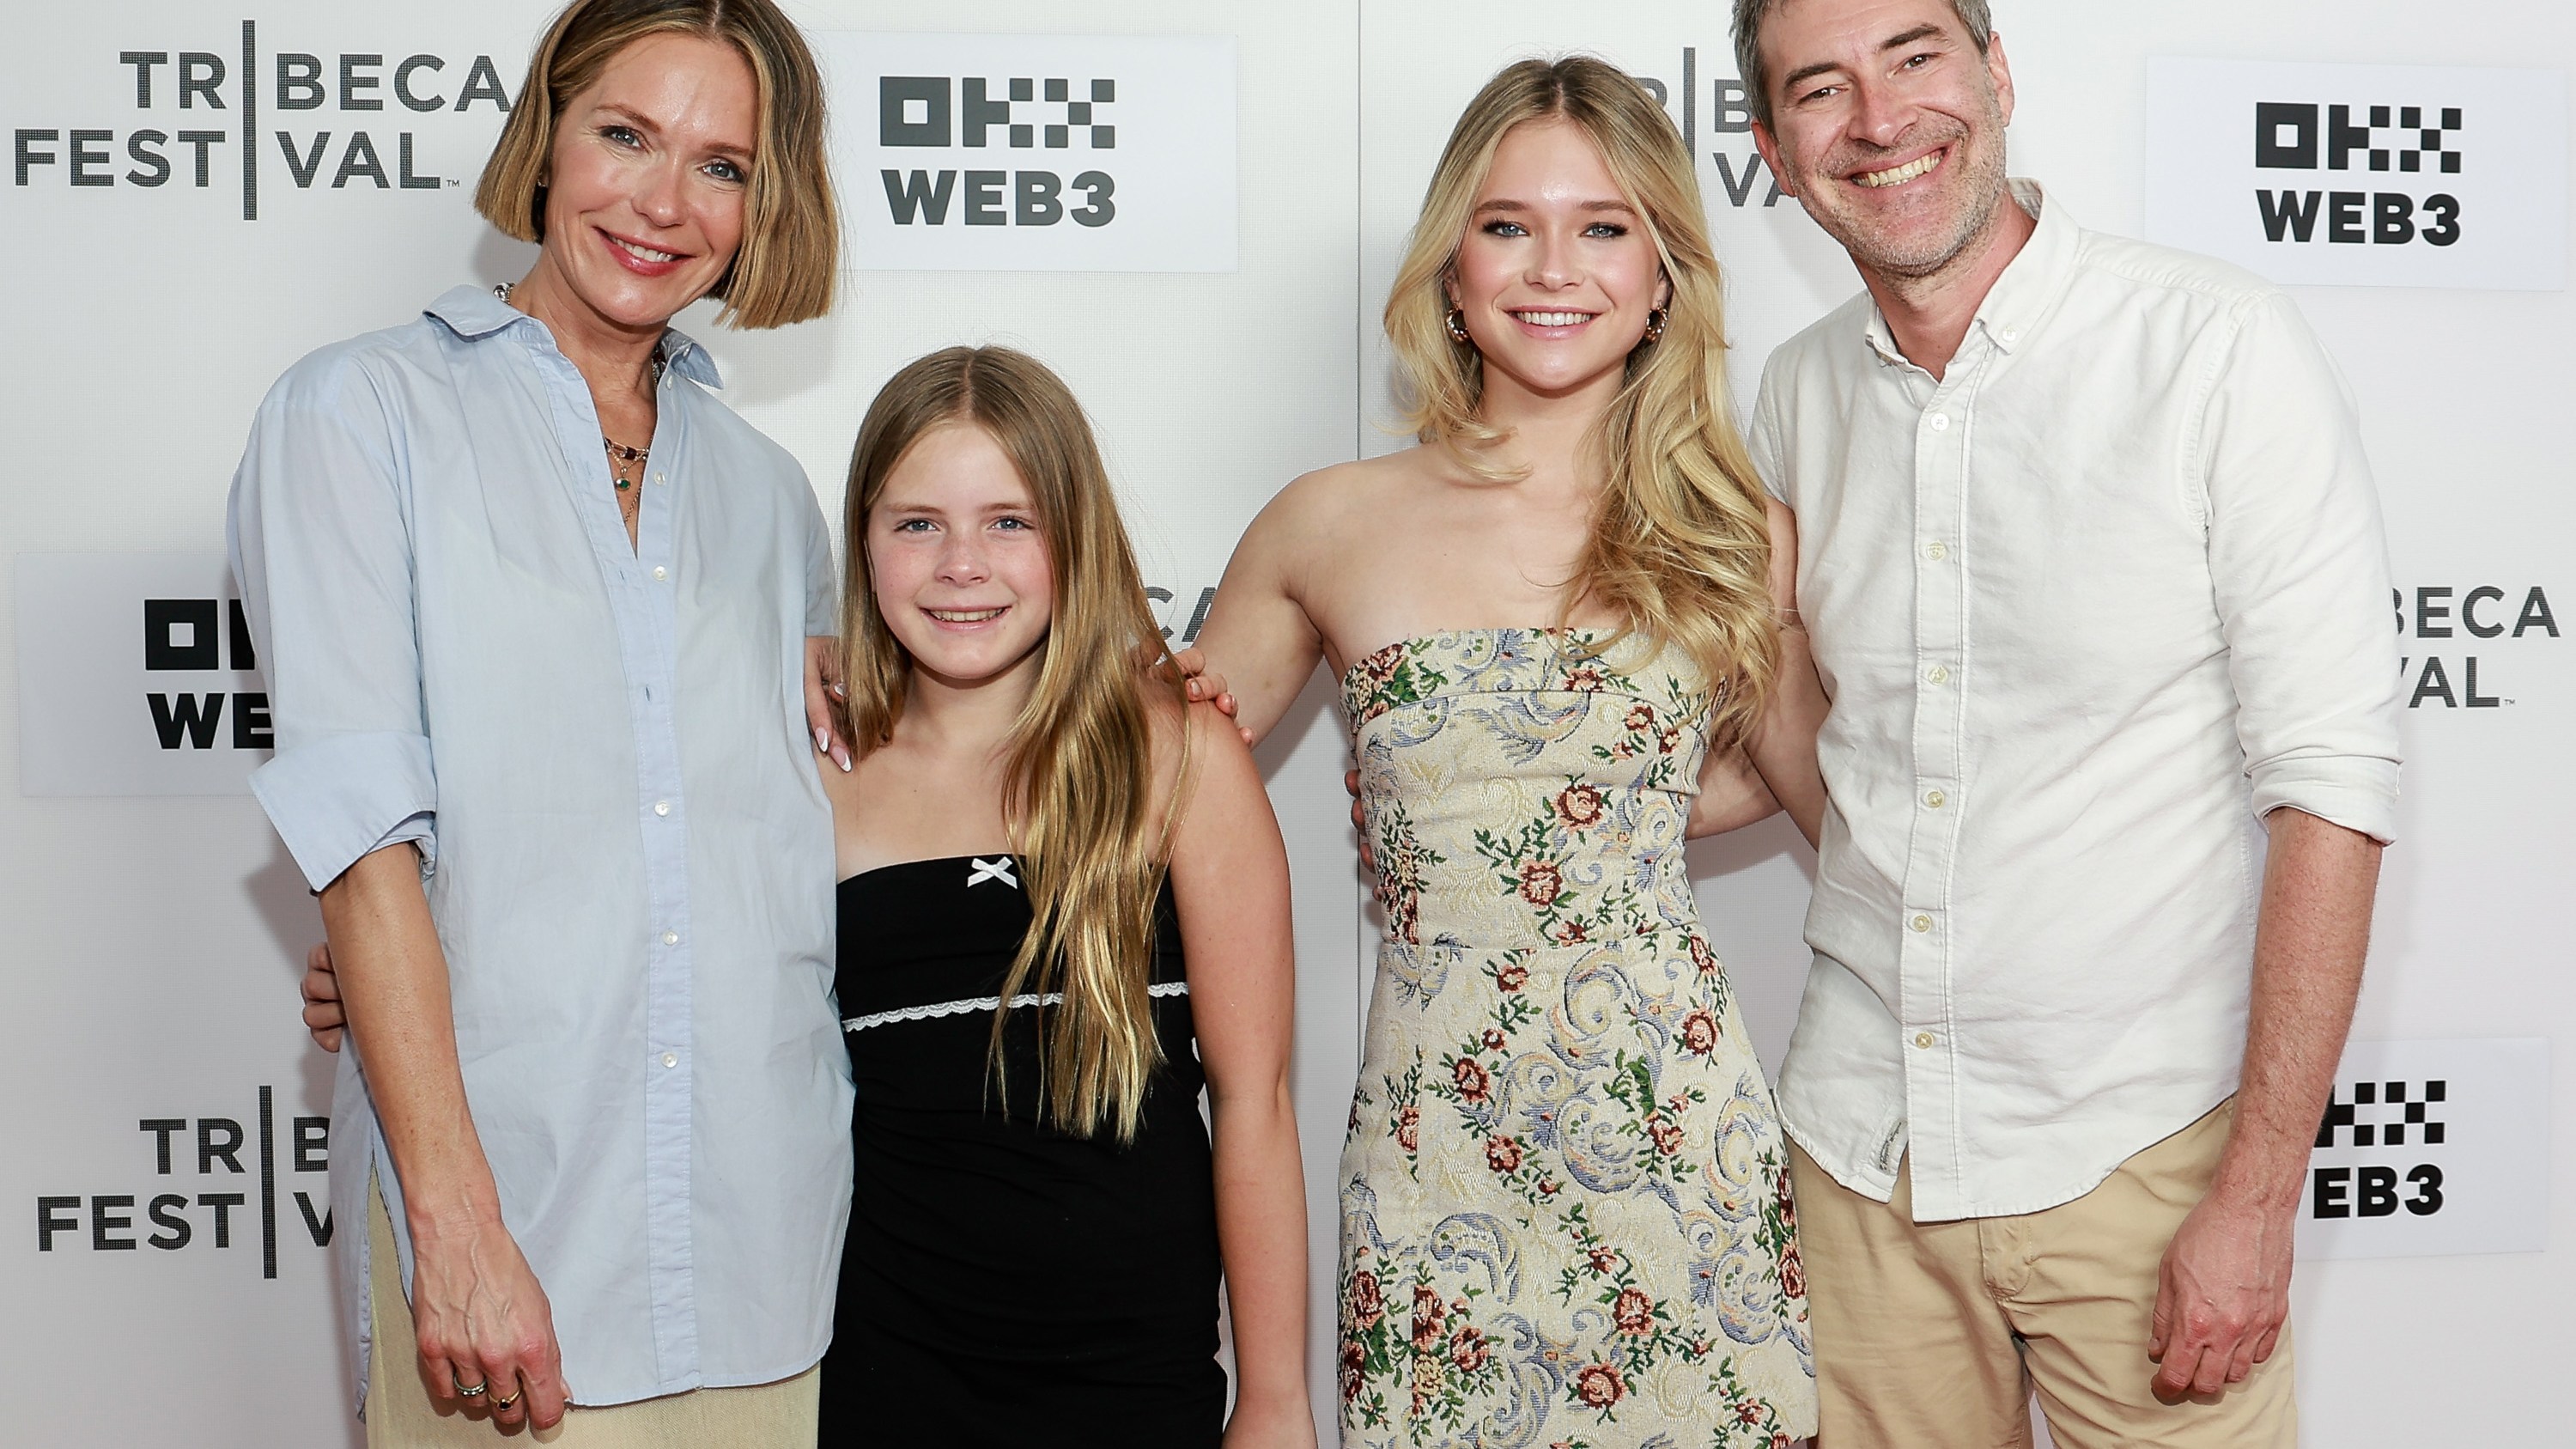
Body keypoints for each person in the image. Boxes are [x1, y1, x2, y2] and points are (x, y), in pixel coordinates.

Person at [1731, 1, 2401, 1444]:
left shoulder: (2216, 347)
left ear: (1997, 74)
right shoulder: (1793, 398)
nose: (1881, 118)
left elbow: (2332, 786)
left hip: (2142, 1164)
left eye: (1916, 56)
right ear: (1779, 152)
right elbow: (1821, 746)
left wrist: (2258, 1196)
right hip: (1861, 1164)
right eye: (1822, 89)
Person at [229, 0, 857, 1441]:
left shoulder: (775, 498)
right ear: (548, 133)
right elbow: (365, 843)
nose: (660, 203)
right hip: (508, 1246)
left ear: (770, 202)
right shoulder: (357, 415)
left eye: (723, 165)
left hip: (767, 1246)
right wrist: (455, 1232)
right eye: (625, 135)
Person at [1194, 57, 1820, 1446]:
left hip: (1678, 1147)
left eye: (1604, 226)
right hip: (1438, 1154)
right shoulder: (1328, 522)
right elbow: (1159, 764)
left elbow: (1825, 793)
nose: (1555, 267)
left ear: (1664, 272)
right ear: (1452, 266)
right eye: (1507, 224)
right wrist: (859, 659)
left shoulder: (1739, 533)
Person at [808, 345, 1310, 1446]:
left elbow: (1256, 1102)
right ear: (862, 541)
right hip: (889, 1382)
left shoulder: (1177, 753)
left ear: (1071, 538)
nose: (961, 565)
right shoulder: (821, 782)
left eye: (1009, 522)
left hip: (1138, 1388)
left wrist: (1275, 1400)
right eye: (916, 523)